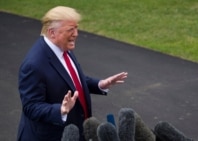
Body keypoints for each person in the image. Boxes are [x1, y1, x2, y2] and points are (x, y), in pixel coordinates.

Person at [17, 6, 128, 141]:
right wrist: (60, 110)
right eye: (71, 30)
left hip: (77, 132)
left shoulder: (63, 47)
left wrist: (100, 84)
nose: (76, 34)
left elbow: (72, 78)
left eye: (76, 28)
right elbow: (31, 107)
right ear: (52, 33)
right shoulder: (33, 65)